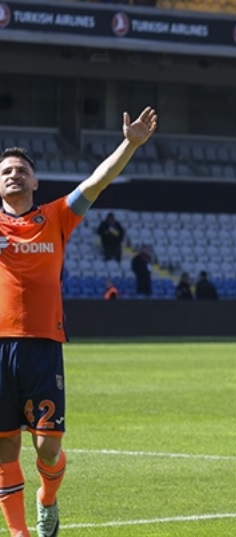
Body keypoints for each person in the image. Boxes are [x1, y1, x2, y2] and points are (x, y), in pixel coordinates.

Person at [0, 107, 157, 537]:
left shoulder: (55, 217)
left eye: (20, 170)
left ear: (35, 181)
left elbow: (97, 181)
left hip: (43, 345)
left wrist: (130, 143)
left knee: (48, 449)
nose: (13, 175)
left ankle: (47, 499)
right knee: (4, 448)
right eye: (5, 171)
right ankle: (19, 533)